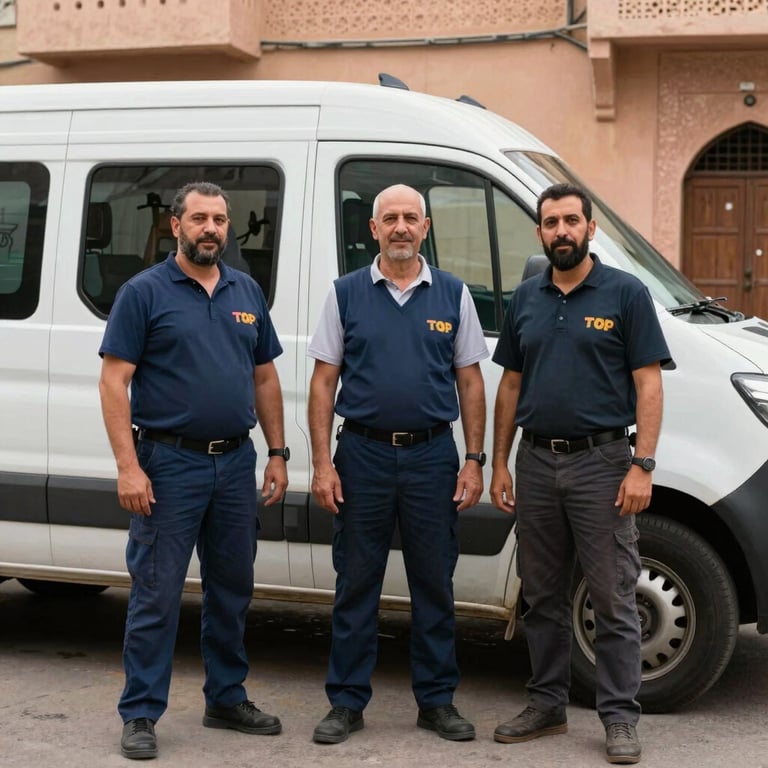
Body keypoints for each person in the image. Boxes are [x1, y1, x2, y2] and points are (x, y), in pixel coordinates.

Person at [98, 181, 289, 760]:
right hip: (168, 461)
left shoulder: (245, 289)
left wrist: (278, 451)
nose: (211, 228)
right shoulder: (144, 292)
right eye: (200, 218)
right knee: (155, 593)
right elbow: (113, 381)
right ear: (176, 225)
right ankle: (140, 713)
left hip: (235, 463)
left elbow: (264, 378)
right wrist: (128, 468)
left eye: (220, 219)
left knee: (232, 589)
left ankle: (226, 698)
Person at [490, 183, 670, 765]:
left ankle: (619, 719)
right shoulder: (526, 298)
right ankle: (547, 705)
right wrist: (498, 460)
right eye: (550, 222)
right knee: (541, 595)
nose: (561, 230)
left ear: (590, 228)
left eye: (571, 220)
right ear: (539, 232)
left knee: (613, 596)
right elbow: (510, 385)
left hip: (603, 464)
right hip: (537, 462)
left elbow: (649, 382)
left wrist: (642, 464)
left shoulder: (626, 293)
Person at [307, 184, 488, 744]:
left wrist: (475, 459)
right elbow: (322, 382)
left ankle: (436, 701)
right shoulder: (345, 294)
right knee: (355, 583)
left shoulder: (453, 295)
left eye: (412, 218)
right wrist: (321, 463)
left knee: (433, 583)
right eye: (391, 218)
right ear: (374, 229)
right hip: (361, 456)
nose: (402, 227)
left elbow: (471, 383)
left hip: (434, 456)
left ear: (426, 229)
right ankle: (346, 703)